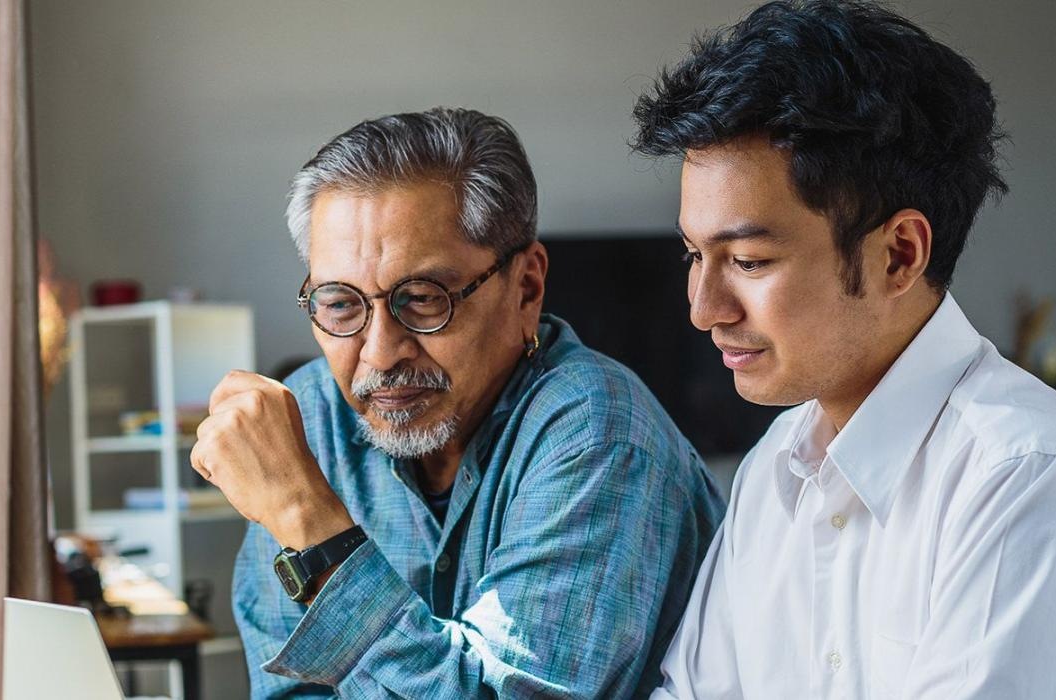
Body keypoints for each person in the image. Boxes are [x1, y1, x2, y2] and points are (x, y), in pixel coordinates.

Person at [632, 2, 1056, 697]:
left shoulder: (1031, 475)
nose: (702, 309)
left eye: (747, 261)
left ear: (899, 255)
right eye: (694, 254)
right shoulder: (774, 468)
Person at [190, 106, 725, 698]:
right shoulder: (311, 416)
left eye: (421, 298)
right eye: (340, 304)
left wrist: (309, 523)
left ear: (526, 287)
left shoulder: (599, 433)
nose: (380, 353)